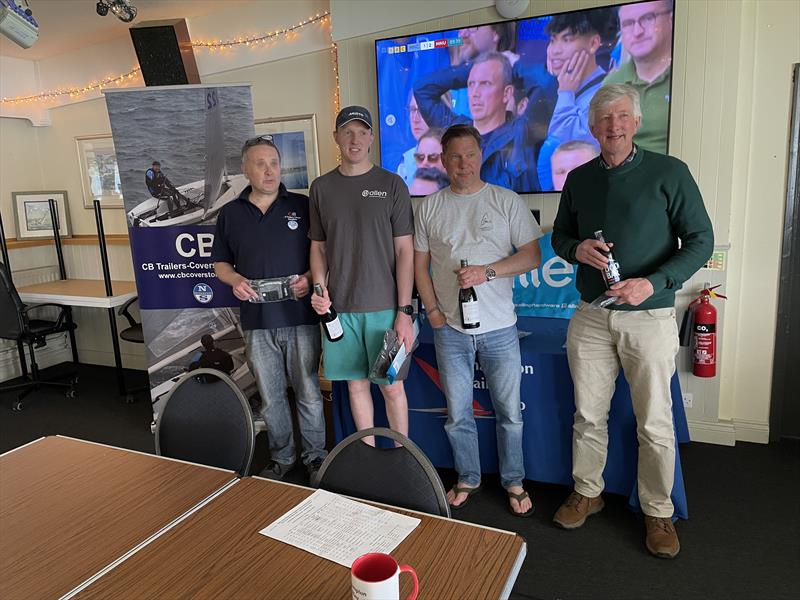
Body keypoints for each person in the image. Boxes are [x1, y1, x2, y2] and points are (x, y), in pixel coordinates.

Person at [551, 84, 713, 558]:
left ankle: (658, 513)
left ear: (636, 122)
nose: (614, 126)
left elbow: (700, 240)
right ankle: (588, 491)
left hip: (649, 315)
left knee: (655, 422)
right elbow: (561, 235)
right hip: (591, 315)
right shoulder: (579, 178)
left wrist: (654, 282)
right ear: (593, 127)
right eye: (604, 119)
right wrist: (574, 248)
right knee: (587, 415)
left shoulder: (670, 173)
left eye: (622, 116)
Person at [414, 124, 543, 517]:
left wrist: (487, 272)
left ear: (480, 154)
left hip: (500, 328)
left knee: (509, 413)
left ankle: (514, 481)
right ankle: (468, 477)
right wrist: (433, 309)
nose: (463, 163)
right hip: (450, 330)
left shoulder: (505, 201)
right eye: (454, 156)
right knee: (458, 414)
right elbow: (420, 265)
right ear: (443, 159)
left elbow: (532, 256)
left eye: (470, 154)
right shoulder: (430, 206)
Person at [211, 135, 327, 481]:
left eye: (274, 163)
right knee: (271, 397)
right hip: (257, 322)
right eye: (260, 164)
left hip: (301, 318)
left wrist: (309, 278)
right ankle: (283, 457)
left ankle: (315, 456)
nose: (269, 170)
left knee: (308, 392)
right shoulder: (230, 214)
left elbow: (322, 254)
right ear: (245, 170)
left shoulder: (303, 206)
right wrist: (235, 282)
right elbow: (221, 264)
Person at [309, 106, 415, 442]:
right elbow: (318, 247)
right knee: (356, 386)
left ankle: (402, 457)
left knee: (391, 388)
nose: (355, 139)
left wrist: (404, 312)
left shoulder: (392, 184)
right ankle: (368, 456)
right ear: (337, 137)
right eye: (348, 132)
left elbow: (405, 251)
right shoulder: (321, 188)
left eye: (362, 132)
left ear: (371, 137)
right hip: (341, 313)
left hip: (385, 311)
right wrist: (320, 289)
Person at [414, 52, 551, 192]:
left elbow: (547, 85)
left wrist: (515, 67)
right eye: (471, 84)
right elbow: (422, 88)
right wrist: (474, 69)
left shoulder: (523, 131)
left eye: (485, 83)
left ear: (506, 94)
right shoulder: (455, 129)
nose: (475, 93)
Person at [603, 0, 674, 153]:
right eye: (628, 24)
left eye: (648, 18)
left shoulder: (689, 75)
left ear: (671, 19)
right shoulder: (611, 85)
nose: (637, 31)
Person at [545, 8, 614, 145]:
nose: (555, 50)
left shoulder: (608, 95)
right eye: (553, 40)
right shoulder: (560, 87)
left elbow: (560, 146)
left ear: (593, 44)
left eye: (567, 39)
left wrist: (565, 93)